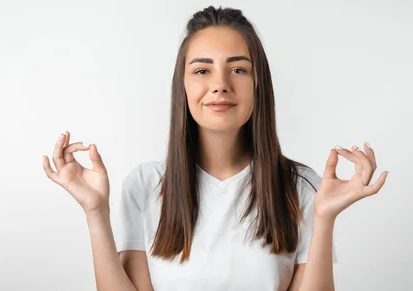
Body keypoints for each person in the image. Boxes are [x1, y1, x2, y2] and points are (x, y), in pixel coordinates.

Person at [42, 5, 388, 291]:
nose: (220, 85)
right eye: (202, 70)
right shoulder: (145, 183)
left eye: (238, 69)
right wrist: (95, 213)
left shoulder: (301, 185)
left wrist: (324, 218)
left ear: (258, 85)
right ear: (184, 86)